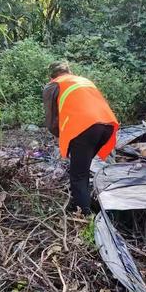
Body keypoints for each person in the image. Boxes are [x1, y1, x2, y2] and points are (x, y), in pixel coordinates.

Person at [43, 61, 119, 215]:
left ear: (51, 76)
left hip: (84, 127)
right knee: (82, 167)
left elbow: (51, 121)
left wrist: (60, 135)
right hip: (106, 125)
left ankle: (85, 215)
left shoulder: (53, 85)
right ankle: (81, 201)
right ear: (69, 71)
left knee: (78, 174)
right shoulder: (84, 81)